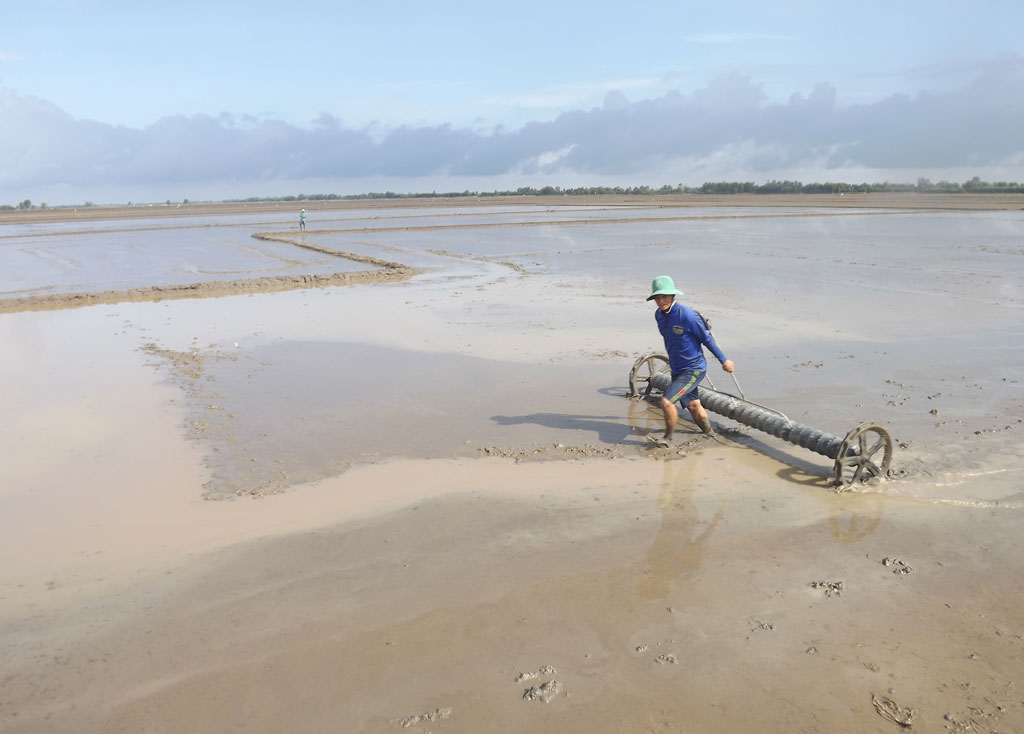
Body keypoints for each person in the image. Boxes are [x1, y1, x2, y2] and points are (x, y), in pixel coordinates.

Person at [646, 275, 734, 445]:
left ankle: (668, 439)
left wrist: (724, 361)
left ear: (673, 296)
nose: (661, 301)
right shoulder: (659, 315)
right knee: (694, 406)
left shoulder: (687, 315)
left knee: (666, 401)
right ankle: (711, 434)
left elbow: (707, 340)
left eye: (664, 296)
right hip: (677, 369)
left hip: (693, 368)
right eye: (657, 297)